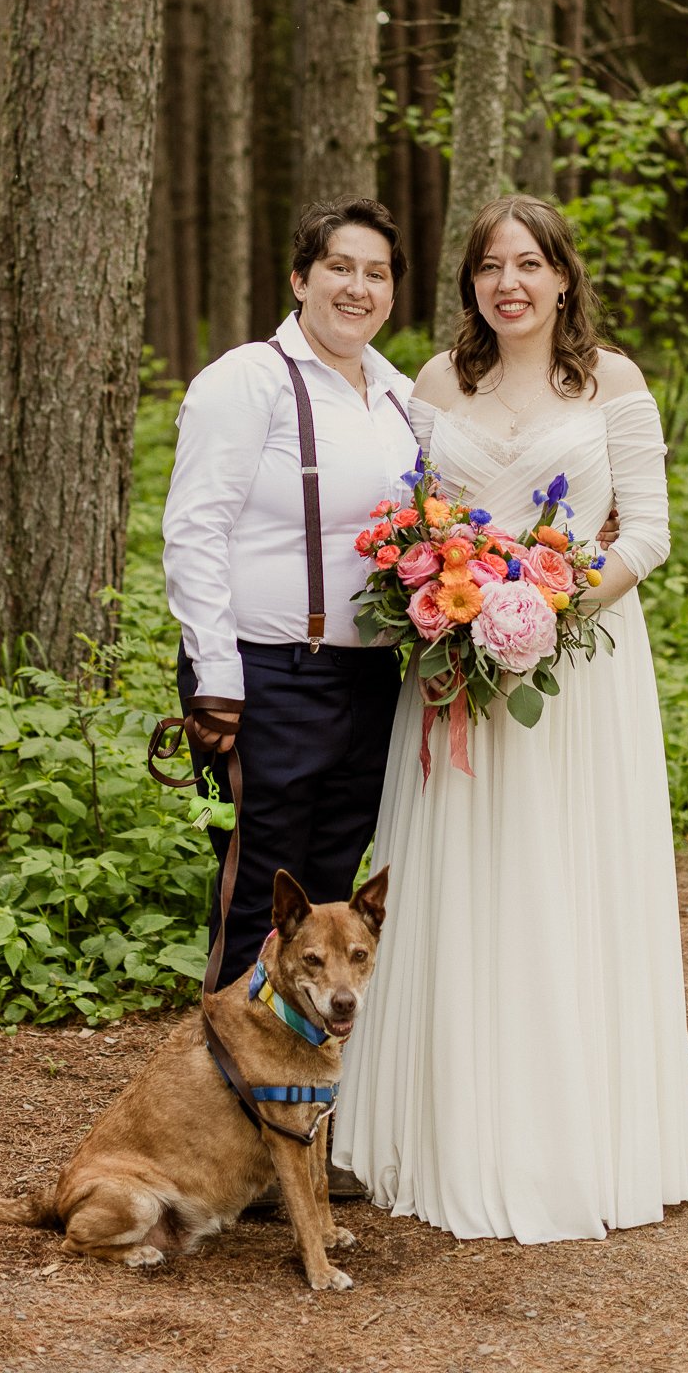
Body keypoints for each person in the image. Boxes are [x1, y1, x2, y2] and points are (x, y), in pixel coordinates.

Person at [333, 192, 688, 1243]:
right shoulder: (436, 381)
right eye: (490, 265)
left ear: (561, 277)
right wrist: (451, 611)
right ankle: (440, 1126)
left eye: (529, 263)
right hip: (448, 674)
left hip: (573, 675)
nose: (510, 282)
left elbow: (649, 534)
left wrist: (538, 616)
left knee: (561, 875)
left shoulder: (612, 381)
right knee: (458, 879)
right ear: (470, 284)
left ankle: (574, 1129)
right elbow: (410, 511)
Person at [161, 198, 420, 988]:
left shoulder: (400, 397)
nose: (357, 288)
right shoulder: (246, 380)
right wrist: (216, 678)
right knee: (258, 904)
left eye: (375, 274)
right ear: (300, 278)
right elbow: (195, 527)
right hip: (266, 678)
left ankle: (302, 1102)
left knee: (332, 913)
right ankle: (227, 1101)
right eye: (339, 267)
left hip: (374, 683)